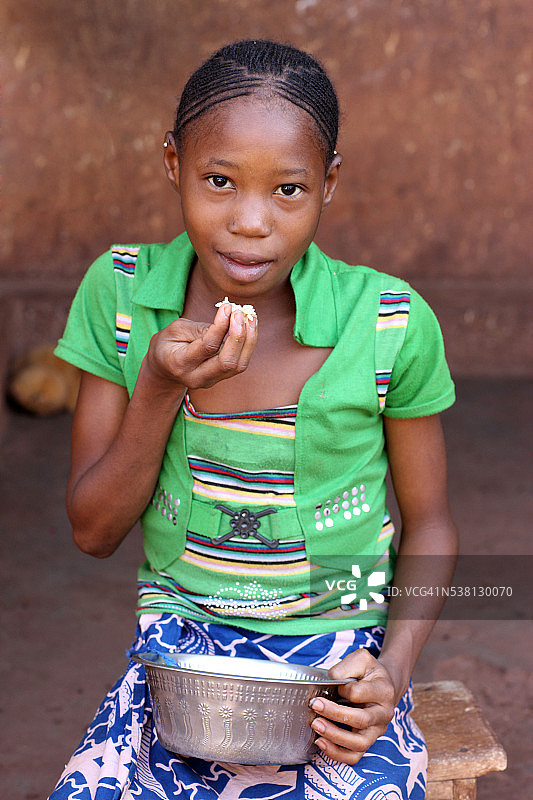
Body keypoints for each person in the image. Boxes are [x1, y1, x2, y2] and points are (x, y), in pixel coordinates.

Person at [49, 39, 458, 800]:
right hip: (179, 661)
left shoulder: (389, 322)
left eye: (288, 190)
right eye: (219, 181)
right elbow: (93, 530)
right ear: (172, 164)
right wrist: (158, 388)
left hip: (337, 665)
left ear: (328, 184)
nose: (249, 222)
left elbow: (430, 525)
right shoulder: (122, 294)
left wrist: (392, 673)